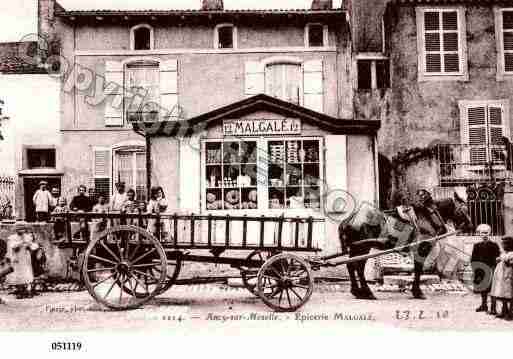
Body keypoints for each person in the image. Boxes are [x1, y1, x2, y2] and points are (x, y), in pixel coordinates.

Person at [471, 224, 501, 313]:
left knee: (492, 288)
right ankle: (484, 305)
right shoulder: (477, 245)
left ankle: (493, 307)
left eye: (486, 233)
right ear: (479, 234)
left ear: (489, 233)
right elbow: (473, 259)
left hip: (491, 269)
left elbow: (497, 258)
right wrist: (475, 269)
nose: (484, 235)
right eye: (482, 233)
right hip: (481, 269)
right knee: (483, 288)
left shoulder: (494, 245)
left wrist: (495, 268)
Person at [5, 221, 40, 299]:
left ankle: (27, 290)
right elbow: (12, 246)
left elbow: (33, 246)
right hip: (17, 258)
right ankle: (19, 290)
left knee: (26, 273)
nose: (21, 231)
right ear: (16, 230)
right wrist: (21, 243)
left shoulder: (28, 237)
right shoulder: (12, 238)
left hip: (25, 257)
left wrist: (32, 246)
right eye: (19, 229)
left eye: (23, 229)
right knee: (18, 274)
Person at [490, 236, 513, 320]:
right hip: (501, 276)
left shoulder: (511, 254)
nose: (503, 245)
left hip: (509, 276)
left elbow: (510, 262)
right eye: (502, 244)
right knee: (502, 294)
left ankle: (510, 312)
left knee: (509, 294)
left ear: (509, 244)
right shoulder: (503, 253)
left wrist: (504, 259)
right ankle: (504, 310)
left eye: (504, 244)